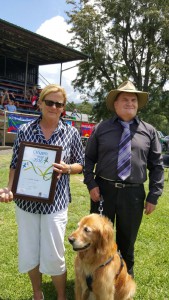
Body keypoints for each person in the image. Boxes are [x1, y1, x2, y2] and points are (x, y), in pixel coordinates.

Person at [0, 84, 84, 300]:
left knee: (54, 254)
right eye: (49, 102)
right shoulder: (25, 130)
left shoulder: (71, 132)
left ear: (63, 108)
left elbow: (80, 164)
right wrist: (10, 188)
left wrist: (67, 168)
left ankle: (60, 296)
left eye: (59, 104)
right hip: (27, 204)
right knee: (29, 251)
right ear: (40, 103)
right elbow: (15, 164)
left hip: (55, 204)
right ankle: (37, 294)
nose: (54, 107)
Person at [83, 80, 164, 277]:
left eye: (133, 100)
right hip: (103, 192)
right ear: (115, 104)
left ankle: (124, 283)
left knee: (127, 242)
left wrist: (153, 196)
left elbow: (157, 166)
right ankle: (95, 280)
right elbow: (88, 158)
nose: (130, 103)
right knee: (99, 240)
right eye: (125, 99)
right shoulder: (101, 128)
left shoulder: (149, 131)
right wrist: (91, 184)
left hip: (134, 194)